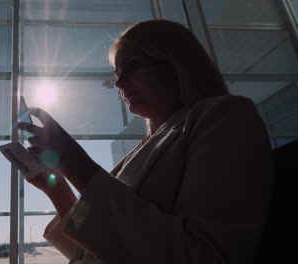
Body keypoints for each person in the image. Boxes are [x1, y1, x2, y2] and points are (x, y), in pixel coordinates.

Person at [17, 20, 274, 264]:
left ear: (177, 63)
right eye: (118, 73)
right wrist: (59, 190)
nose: (119, 82)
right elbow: (94, 252)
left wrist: (77, 165)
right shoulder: (142, 149)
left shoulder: (225, 117)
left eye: (134, 66)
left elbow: (203, 256)